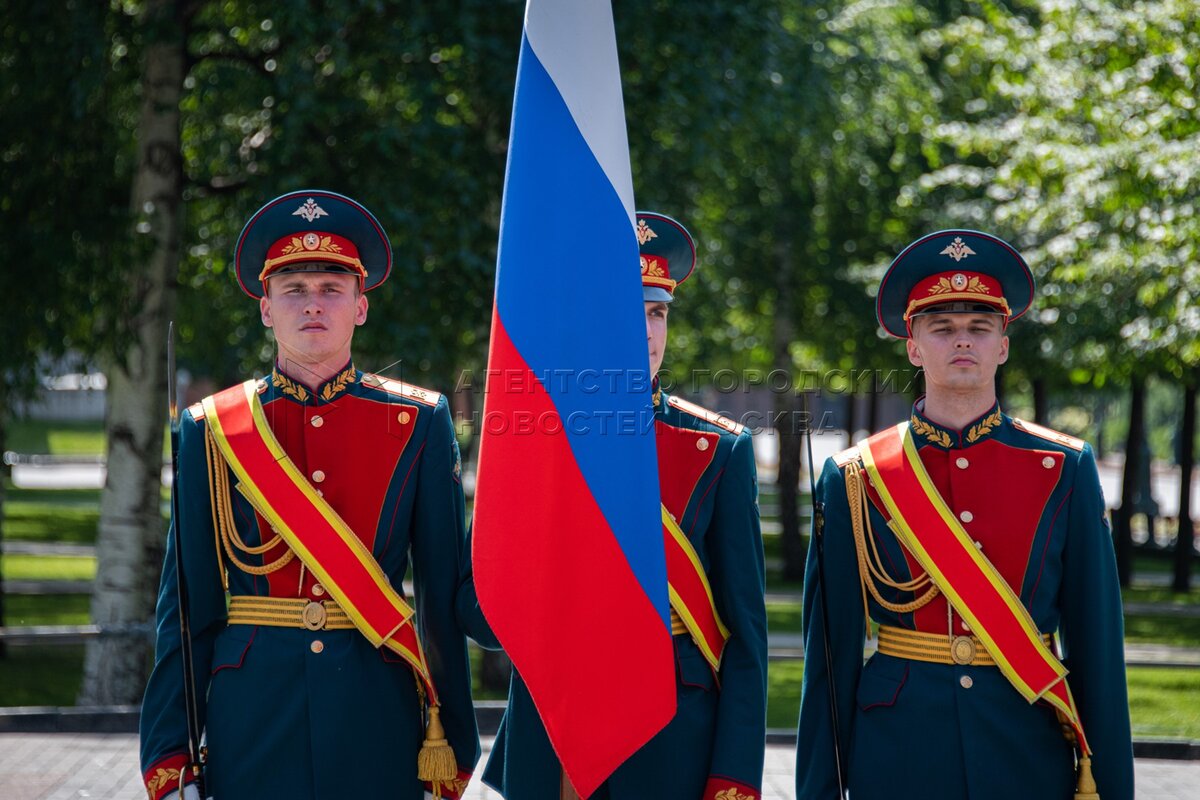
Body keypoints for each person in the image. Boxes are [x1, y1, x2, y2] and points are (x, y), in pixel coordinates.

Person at [139, 190, 479, 800]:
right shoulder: (210, 429)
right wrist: (171, 757)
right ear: (266, 308)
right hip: (252, 715)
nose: (313, 303)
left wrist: (449, 743)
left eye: (331, 288)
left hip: (377, 712)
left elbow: (437, 604)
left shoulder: (418, 422)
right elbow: (186, 609)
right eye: (294, 289)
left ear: (361, 307)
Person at [794, 230, 1134, 799]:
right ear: (913, 347)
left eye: (979, 327)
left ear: (1003, 346)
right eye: (942, 327)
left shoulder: (1063, 467)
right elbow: (828, 661)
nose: (962, 341)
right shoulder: (856, 475)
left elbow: (1098, 650)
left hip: (1024, 748)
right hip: (899, 754)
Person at [457, 212, 768, 799]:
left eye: (657, 313)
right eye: (626, 310)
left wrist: (733, 775)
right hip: (553, 728)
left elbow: (746, 638)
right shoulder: (533, 439)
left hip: (672, 740)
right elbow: (475, 611)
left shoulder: (716, 450)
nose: (646, 331)